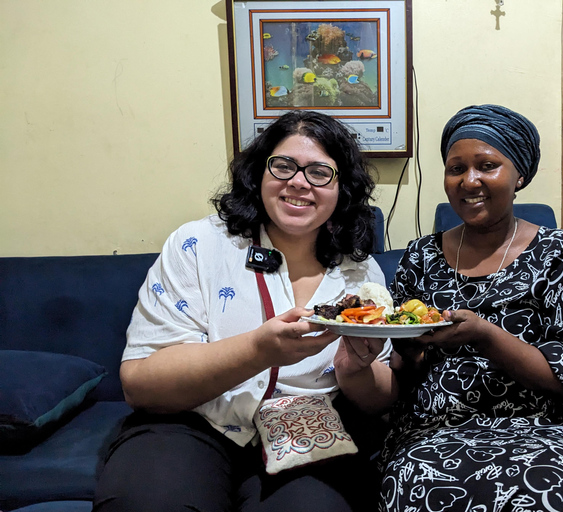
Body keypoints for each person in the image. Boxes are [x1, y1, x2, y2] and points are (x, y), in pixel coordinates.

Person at [93, 110, 398, 512]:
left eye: (320, 172)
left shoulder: (361, 274)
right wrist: (259, 350)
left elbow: (379, 401)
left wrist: (354, 369)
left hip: (308, 429)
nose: (299, 182)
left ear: (342, 188)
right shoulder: (198, 246)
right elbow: (140, 384)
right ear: (259, 175)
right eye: (284, 166)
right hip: (190, 421)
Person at [378, 104, 563, 512]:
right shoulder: (420, 256)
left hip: (545, 427)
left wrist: (486, 335)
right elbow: (408, 370)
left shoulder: (559, 253)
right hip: (436, 427)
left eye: (487, 165)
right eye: (455, 168)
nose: (469, 180)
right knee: (414, 482)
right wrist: (408, 349)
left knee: (547, 492)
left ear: (520, 175)